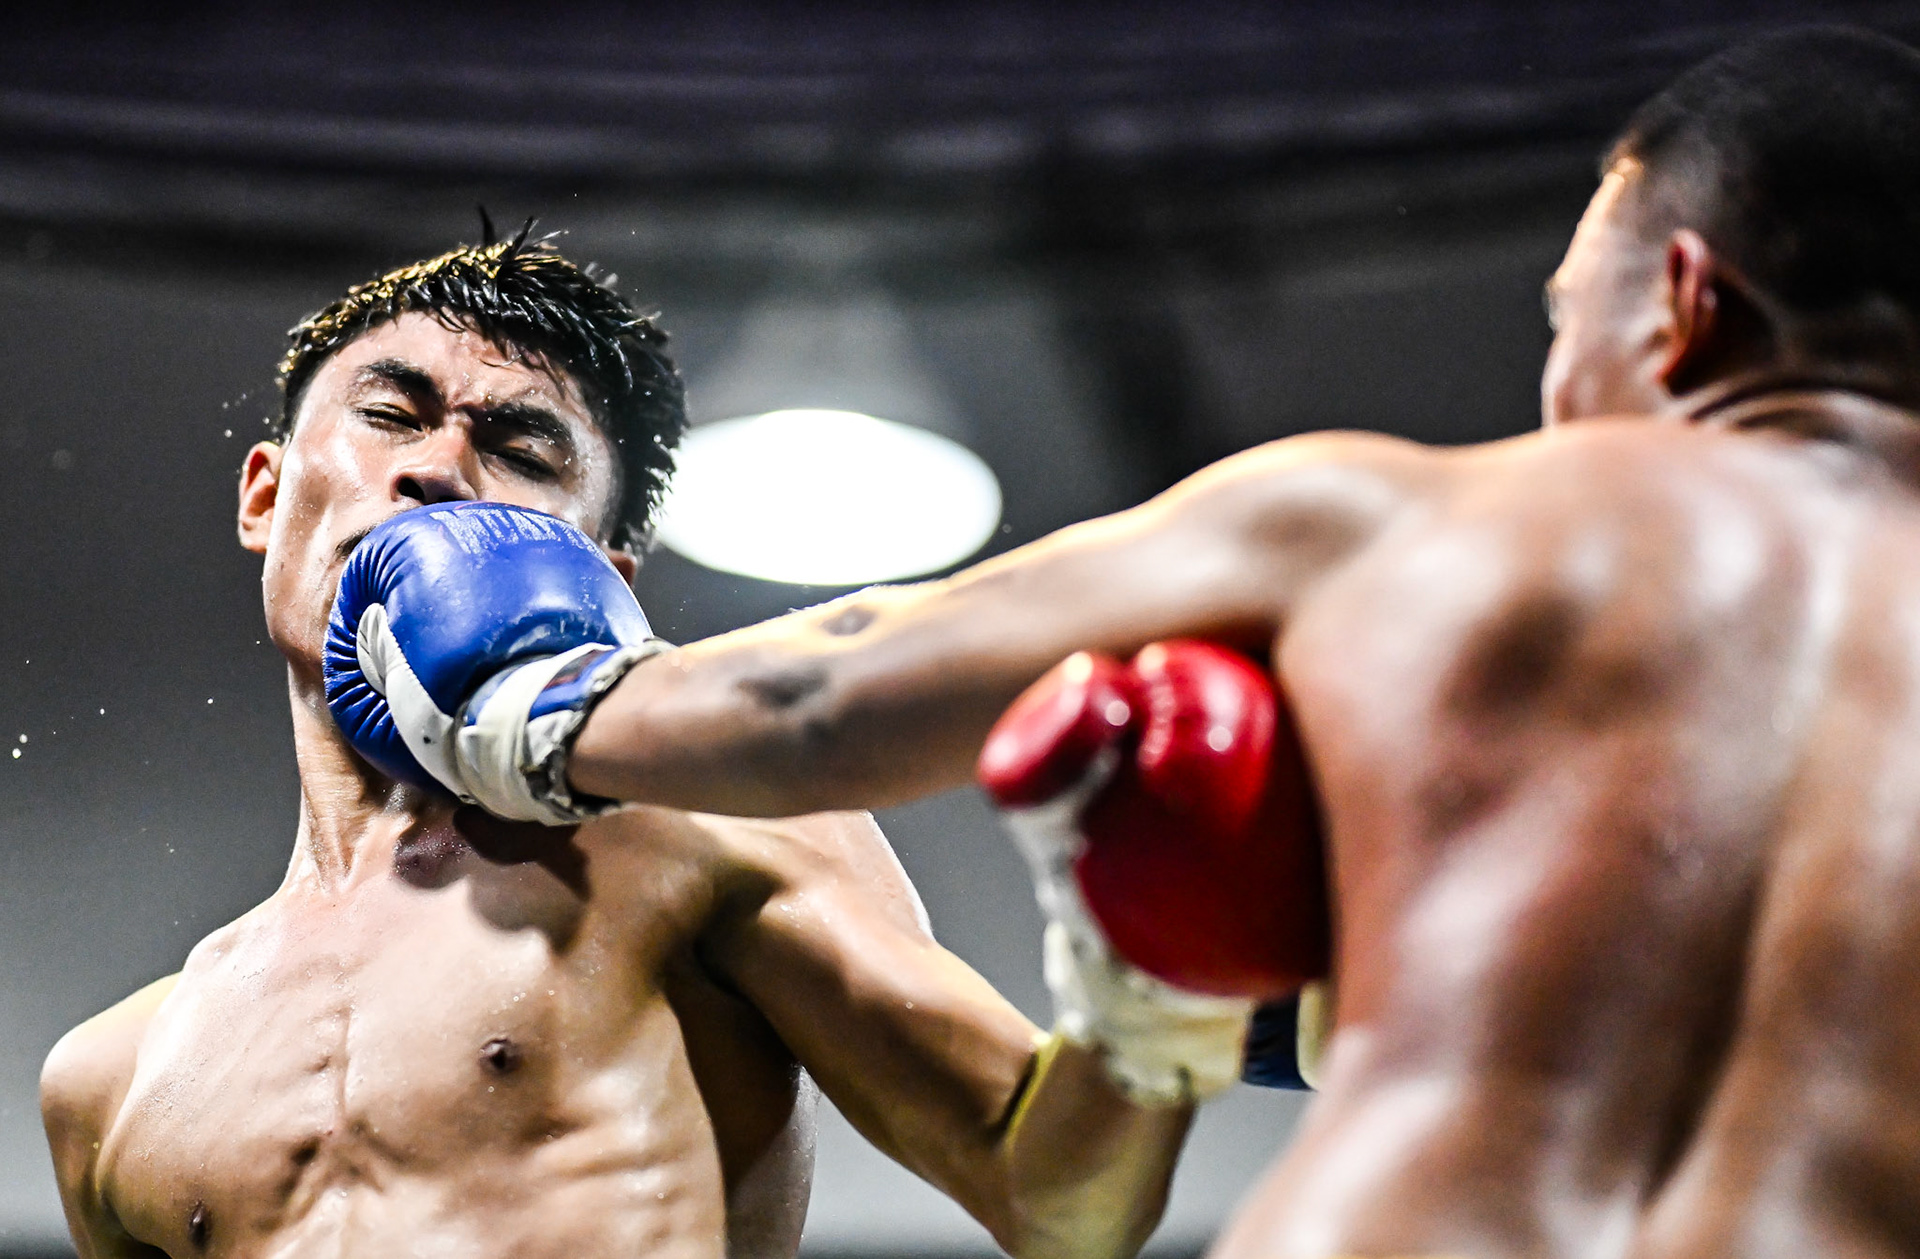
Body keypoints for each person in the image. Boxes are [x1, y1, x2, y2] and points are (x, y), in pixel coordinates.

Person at [316, 26, 1920, 1259]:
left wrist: (534, 701)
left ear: (1688, 305)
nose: (1560, 388)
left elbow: (823, 694)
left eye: (1569, 319)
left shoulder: (1396, 522)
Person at [35, 229, 1201, 1259]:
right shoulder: (111, 1077)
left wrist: (1151, 969)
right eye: (389, 413)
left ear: (605, 577)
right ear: (264, 496)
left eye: (521, 450)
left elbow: (1058, 1202)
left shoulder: (702, 829)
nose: (436, 468)